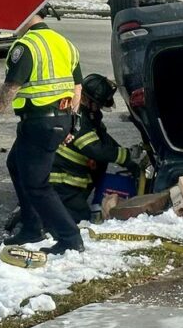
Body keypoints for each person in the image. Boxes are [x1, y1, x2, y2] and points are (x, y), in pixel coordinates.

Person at [0, 7, 85, 255]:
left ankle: (70, 238)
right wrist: (71, 122)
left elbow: (10, 89)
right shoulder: (65, 43)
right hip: (58, 120)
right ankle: (31, 227)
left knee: (37, 184)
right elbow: (78, 87)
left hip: (39, 122)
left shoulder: (26, 46)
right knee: (16, 163)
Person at [50, 74, 144, 223]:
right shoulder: (78, 116)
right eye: (98, 104)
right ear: (88, 99)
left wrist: (130, 163)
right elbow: (95, 149)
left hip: (73, 177)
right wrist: (126, 155)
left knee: (73, 214)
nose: (99, 108)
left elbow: (104, 140)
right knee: (79, 220)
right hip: (63, 179)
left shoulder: (91, 115)